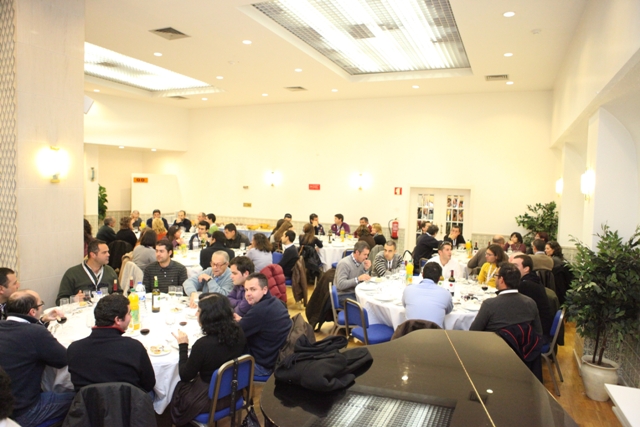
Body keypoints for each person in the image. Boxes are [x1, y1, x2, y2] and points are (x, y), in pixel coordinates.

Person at [0, 291, 74, 426]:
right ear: (32, 311)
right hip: (24, 411)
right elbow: (63, 359)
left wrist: (42, 321)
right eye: (41, 305)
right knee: (81, 397)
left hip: (4, 409)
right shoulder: (35, 332)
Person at [171, 294, 246, 423]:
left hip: (209, 399)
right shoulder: (239, 332)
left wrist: (183, 346)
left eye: (199, 311)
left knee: (179, 387)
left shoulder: (203, 345)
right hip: (234, 391)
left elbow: (185, 375)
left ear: (208, 316)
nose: (196, 314)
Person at [67, 294, 155, 392]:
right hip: (128, 401)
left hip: (88, 401)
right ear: (118, 320)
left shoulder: (74, 349)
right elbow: (149, 384)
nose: (130, 317)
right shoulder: (134, 348)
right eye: (129, 313)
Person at [234, 273, 291, 376]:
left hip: (262, 366)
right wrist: (243, 320)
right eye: (246, 290)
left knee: (217, 359)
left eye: (253, 289)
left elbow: (233, 334)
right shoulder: (276, 302)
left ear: (264, 290)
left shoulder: (259, 311)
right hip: (274, 359)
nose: (248, 294)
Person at [470, 263, 543, 336]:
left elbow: (473, 332)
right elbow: (538, 333)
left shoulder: (489, 304)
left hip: (494, 342)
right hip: (522, 342)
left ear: (501, 279)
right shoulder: (530, 303)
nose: (495, 278)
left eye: (496, 275)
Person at [57, 239, 119, 304]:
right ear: (93, 255)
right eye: (104, 252)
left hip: (106, 309)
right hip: (82, 309)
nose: (108, 254)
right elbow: (60, 301)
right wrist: (74, 299)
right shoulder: (72, 273)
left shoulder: (110, 271)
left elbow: (119, 292)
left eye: (108, 252)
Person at [512, 255, 555, 339]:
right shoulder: (533, 279)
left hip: (537, 333)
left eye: (515, 266)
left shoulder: (526, 285)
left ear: (526, 269)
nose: (511, 269)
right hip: (540, 327)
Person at [402, 263, 453, 328]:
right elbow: (448, 311)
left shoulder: (408, 289)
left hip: (410, 333)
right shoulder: (446, 294)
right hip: (434, 333)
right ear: (439, 278)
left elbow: (405, 305)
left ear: (422, 275)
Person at [335, 241, 371, 305]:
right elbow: (340, 285)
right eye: (365, 254)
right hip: (343, 294)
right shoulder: (344, 263)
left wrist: (366, 270)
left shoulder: (362, 262)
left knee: (369, 302)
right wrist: (358, 279)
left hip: (356, 292)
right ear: (357, 252)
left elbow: (364, 281)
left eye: (367, 255)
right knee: (364, 306)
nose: (366, 257)